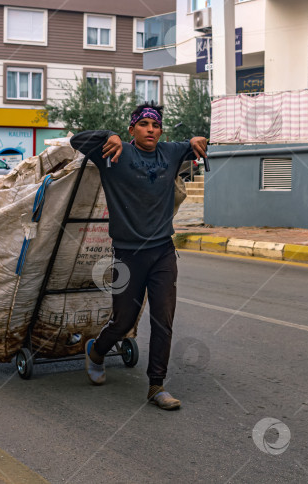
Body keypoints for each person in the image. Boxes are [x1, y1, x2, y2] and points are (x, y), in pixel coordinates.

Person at [69, 102, 208, 411]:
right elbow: (76, 140)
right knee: (123, 321)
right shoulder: (113, 154)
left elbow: (193, 146)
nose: (150, 130)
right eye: (143, 124)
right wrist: (110, 136)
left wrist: (199, 140)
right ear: (132, 129)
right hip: (127, 254)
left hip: (162, 252)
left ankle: (156, 385)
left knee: (163, 320)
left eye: (155, 125)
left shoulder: (169, 153)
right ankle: (96, 351)